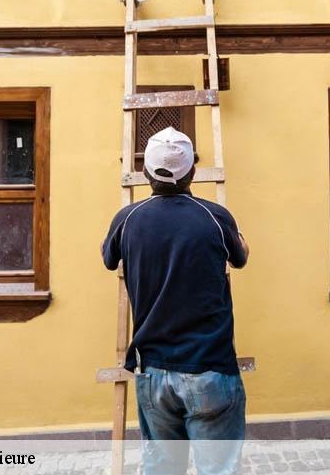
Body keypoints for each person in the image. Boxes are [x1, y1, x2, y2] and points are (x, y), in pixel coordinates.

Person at [101, 126, 249, 474]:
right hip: (209, 368)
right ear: (193, 172)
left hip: (153, 372)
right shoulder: (215, 216)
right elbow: (239, 257)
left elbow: (109, 259)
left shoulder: (127, 219)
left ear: (147, 173)